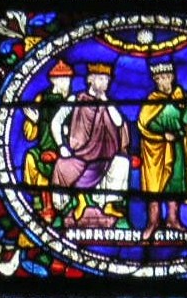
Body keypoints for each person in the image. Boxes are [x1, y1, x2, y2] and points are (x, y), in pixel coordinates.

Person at [50, 59, 131, 225]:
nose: (105, 83)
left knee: (123, 163)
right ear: (90, 80)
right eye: (101, 78)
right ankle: (81, 201)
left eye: (107, 80)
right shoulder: (76, 99)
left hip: (105, 157)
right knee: (62, 166)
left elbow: (118, 122)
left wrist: (105, 101)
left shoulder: (107, 104)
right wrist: (61, 146)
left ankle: (108, 204)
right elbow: (56, 122)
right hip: (80, 154)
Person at [137, 57, 187, 238]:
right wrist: (162, 136)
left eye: (166, 77)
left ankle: (173, 220)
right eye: (159, 78)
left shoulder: (179, 97)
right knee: (154, 186)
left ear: (172, 77)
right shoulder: (152, 100)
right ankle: (153, 222)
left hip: (176, 146)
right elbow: (143, 124)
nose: (163, 81)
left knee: (175, 184)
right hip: (155, 149)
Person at [22, 58, 76, 221]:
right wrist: (33, 120)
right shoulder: (42, 99)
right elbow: (30, 135)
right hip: (46, 146)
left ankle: (67, 206)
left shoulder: (73, 101)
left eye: (68, 79)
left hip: (70, 148)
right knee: (33, 158)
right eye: (63, 79)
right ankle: (46, 205)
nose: (67, 83)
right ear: (54, 80)